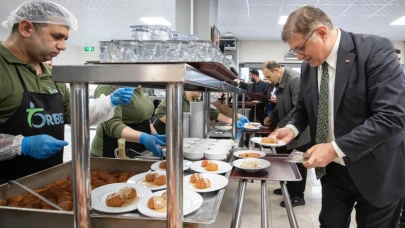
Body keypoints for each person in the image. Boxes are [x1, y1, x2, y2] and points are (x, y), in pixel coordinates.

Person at [270, 5, 405, 227]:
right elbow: (303, 107)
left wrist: (334, 148)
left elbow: (391, 117)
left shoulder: (374, 50)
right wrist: (292, 127)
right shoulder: (309, 67)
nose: (299, 56)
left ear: (321, 33)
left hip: (377, 169)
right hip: (333, 170)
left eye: (300, 48)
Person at [0, 1, 135, 184]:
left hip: (49, 181)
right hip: (7, 190)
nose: (63, 46)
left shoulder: (51, 75)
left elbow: (76, 116)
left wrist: (109, 101)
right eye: (57, 36)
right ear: (26, 28)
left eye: (65, 39)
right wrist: (20, 145)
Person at [262, 60, 311, 207]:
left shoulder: (294, 79)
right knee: (285, 161)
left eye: (269, 76)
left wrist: (281, 125)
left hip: (299, 132)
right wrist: (272, 116)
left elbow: (298, 108)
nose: (268, 80)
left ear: (277, 70)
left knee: (297, 163)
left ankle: (298, 195)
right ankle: (289, 188)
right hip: (285, 128)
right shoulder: (279, 82)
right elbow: (282, 105)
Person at [91, 85, 165, 158]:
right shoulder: (107, 87)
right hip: (113, 148)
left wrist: (155, 135)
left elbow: (143, 116)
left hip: (138, 147)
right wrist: (143, 137)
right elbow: (112, 124)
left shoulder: (140, 87)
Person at [152, 91, 249, 134]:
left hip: (183, 135)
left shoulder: (196, 100)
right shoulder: (177, 96)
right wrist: (182, 127)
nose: (201, 91)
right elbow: (159, 112)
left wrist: (233, 121)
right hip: (164, 133)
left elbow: (212, 112)